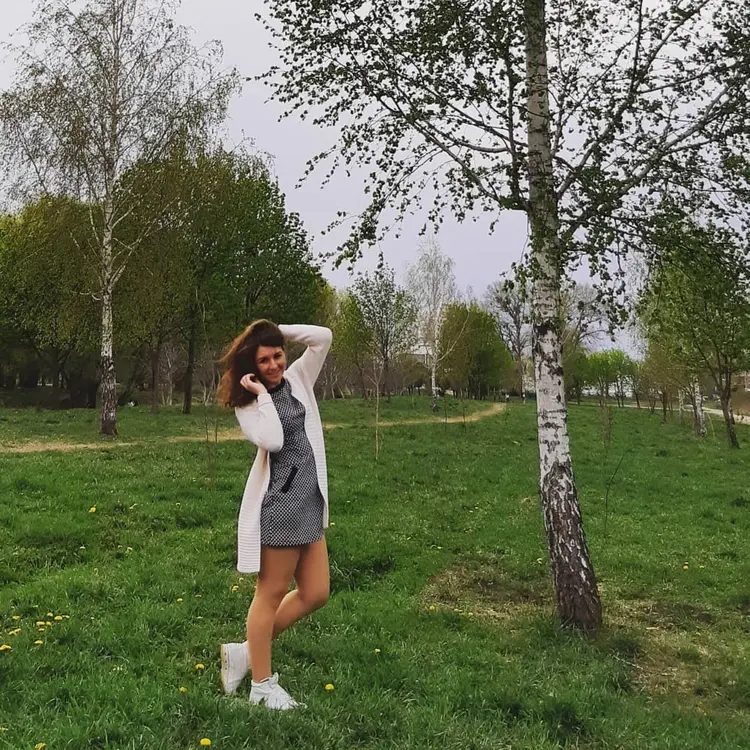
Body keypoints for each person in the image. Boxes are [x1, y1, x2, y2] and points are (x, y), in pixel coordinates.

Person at [216, 320, 333, 710]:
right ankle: (261, 686)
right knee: (269, 595)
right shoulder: (248, 402)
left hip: (309, 501)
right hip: (281, 508)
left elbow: (323, 338)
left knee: (316, 593)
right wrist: (263, 394)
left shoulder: (298, 377)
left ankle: (246, 653)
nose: (273, 365)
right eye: (263, 359)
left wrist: (269, 329)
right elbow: (274, 439)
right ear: (252, 365)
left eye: (277, 355)